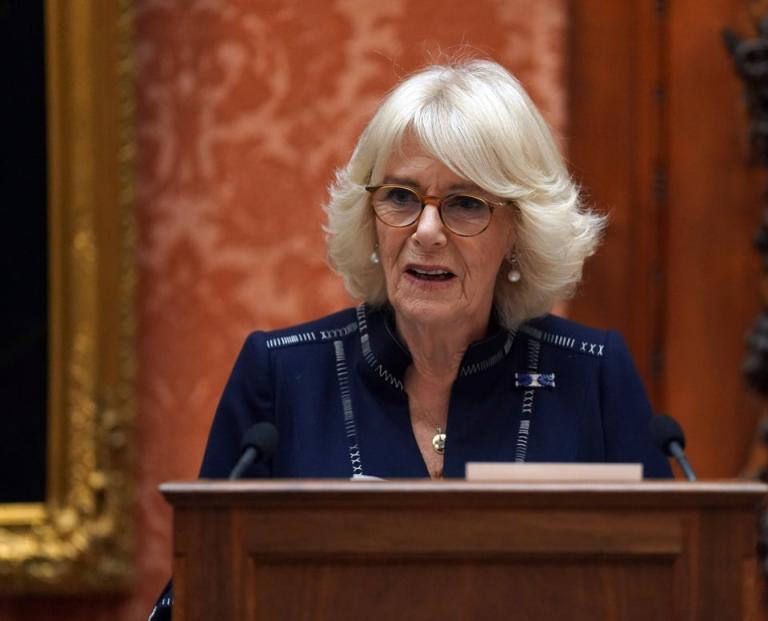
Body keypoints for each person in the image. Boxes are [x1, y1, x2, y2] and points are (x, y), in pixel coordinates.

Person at [149, 57, 671, 621]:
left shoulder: (591, 376)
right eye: (401, 197)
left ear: (519, 231)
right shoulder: (280, 378)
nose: (425, 232)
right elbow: (199, 593)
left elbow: (668, 593)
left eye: (466, 204)